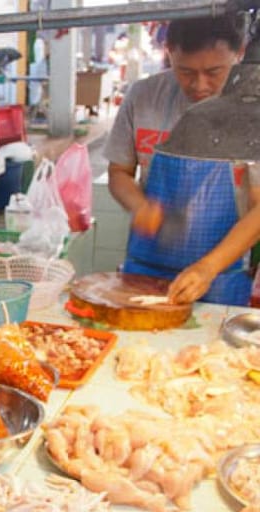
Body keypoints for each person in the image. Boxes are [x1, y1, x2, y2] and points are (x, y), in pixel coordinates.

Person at [103, 14, 260, 305]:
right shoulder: (145, 96)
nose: (199, 84)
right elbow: (119, 172)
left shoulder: (251, 111)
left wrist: (208, 267)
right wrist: (140, 207)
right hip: (146, 265)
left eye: (214, 71)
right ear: (169, 52)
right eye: (185, 71)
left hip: (220, 274)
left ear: (240, 53)